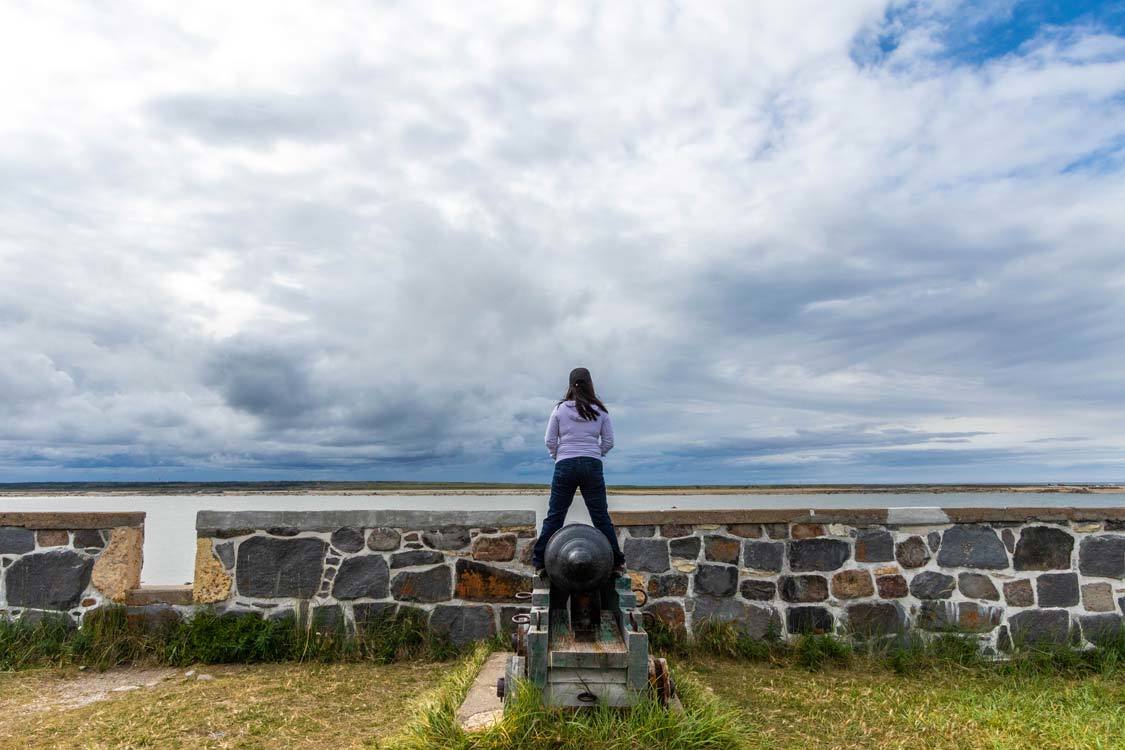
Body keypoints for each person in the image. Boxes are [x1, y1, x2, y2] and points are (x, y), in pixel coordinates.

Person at [530, 366, 625, 573]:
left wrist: (558, 456)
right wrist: (596, 453)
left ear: (570, 385)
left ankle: (539, 561)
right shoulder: (600, 411)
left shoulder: (559, 409)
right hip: (592, 465)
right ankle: (617, 562)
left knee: (555, 515)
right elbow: (608, 442)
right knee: (600, 516)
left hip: (565, 464)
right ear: (590, 384)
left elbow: (549, 440)